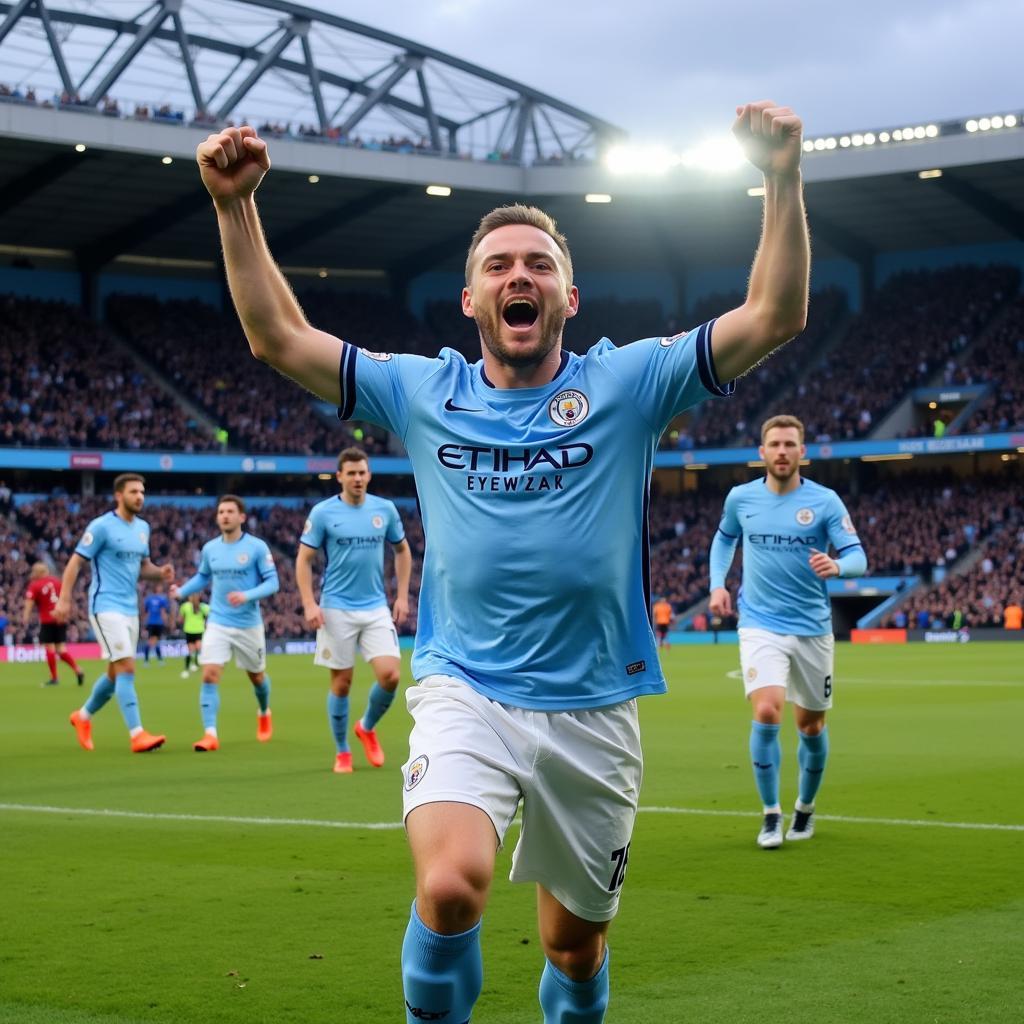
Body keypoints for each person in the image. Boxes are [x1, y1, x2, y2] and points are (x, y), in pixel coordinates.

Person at [198, 99, 810, 1024]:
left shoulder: (630, 381)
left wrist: (781, 174)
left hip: (595, 705)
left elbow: (775, 313)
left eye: (539, 265)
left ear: (568, 297)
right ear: (470, 299)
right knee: (450, 889)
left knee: (574, 949)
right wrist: (234, 206)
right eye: (498, 265)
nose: (517, 276)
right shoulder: (421, 390)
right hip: (465, 685)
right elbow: (277, 339)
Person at [708, 415, 867, 849]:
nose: (781, 451)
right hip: (759, 623)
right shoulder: (741, 498)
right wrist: (717, 584)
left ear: (803, 452)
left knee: (811, 725)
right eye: (774, 444)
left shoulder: (826, 502)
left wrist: (837, 566)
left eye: (789, 444)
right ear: (762, 452)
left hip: (812, 628)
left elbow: (858, 556)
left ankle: (805, 808)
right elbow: (724, 540)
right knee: (766, 712)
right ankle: (770, 815)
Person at [296, 447, 412, 774]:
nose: (358, 478)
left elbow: (402, 552)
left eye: (362, 472)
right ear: (340, 477)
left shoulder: (385, 510)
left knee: (391, 676)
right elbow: (303, 560)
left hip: (375, 606)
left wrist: (401, 596)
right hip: (336, 608)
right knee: (342, 683)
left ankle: (367, 727)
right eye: (352, 473)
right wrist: (308, 602)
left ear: (369, 475)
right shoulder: (322, 513)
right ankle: (343, 750)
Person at [56, 474, 173, 753]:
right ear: (119, 495)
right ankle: (137, 734)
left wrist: (160, 573)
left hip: (130, 608)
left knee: (114, 673)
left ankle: (82, 717)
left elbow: (143, 567)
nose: (140, 496)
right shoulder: (102, 527)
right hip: (105, 606)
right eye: (134, 491)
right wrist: (64, 599)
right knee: (126, 668)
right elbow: (75, 563)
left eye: (142, 491)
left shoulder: (143, 528)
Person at [170, 495, 279, 751]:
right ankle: (210, 734)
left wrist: (247, 595)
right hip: (218, 622)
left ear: (241, 517)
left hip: (248, 624)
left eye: (230, 511)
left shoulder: (257, 547)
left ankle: (264, 711)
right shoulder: (210, 549)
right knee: (209, 674)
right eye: (221, 512)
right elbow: (202, 577)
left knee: (257, 677)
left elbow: (273, 583)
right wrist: (181, 592)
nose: (225, 516)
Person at [23, 561, 84, 687]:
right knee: (61, 649)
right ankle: (77, 669)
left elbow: (29, 603)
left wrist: (25, 616)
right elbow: (66, 597)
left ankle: (54, 678)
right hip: (60, 618)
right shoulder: (57, 582)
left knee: (50, 648)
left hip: (47, 619)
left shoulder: (35, 585)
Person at [179, 592, 210, 677]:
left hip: (189, 630)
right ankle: (195, 663)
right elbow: (210, 614)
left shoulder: (185, 606)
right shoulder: (203, 606)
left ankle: (187, 668)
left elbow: (181, 619)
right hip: (198, 630)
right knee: (197, 648)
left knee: (192, 650)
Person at [142, 584, 170, 665]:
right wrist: (166, 622)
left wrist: (144, 624)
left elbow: (146, 612)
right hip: (158, 623)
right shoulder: (162, 599)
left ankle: (148, 660)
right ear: (157, 589)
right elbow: (163, 612)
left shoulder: (148, 599)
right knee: (154, 641)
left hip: (151, 623)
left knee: (152, 641)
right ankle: (158, 660)